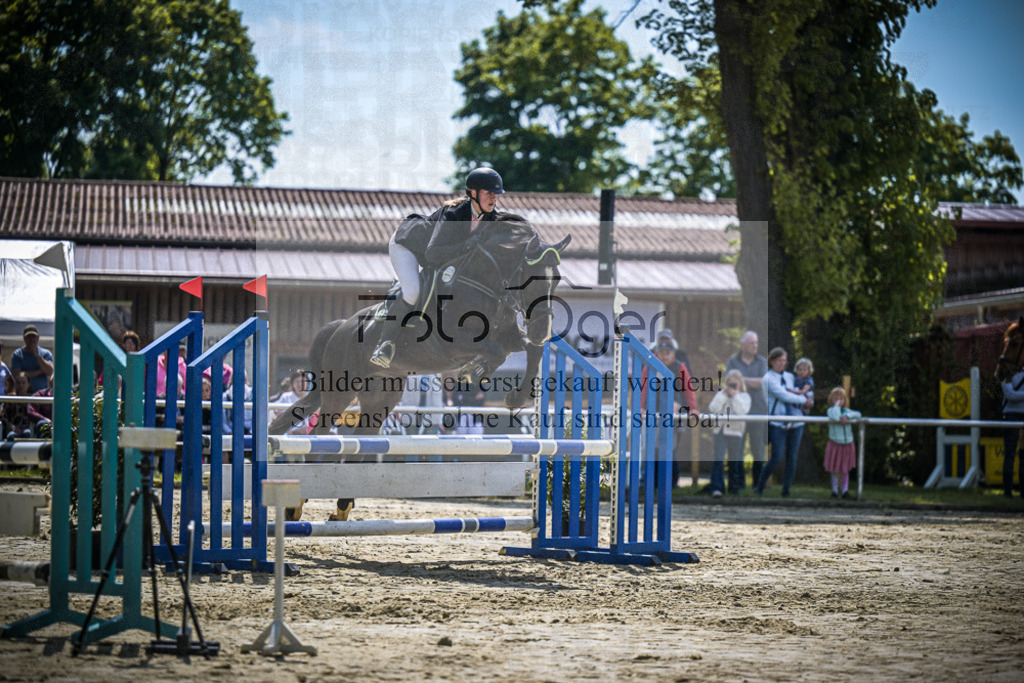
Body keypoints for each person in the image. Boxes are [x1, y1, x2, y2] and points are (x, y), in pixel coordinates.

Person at [370, 167, 505, 369]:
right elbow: (433, 253)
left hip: (437, 255)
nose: (493, 198)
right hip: (408, 245)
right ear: (474, 194)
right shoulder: (453, 214)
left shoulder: (492, 218)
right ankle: (385, 344)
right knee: (413, 291)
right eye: (489, 193)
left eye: (496, 194)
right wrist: (468, 244)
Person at [755, 347, 812, 497]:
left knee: (792, 457)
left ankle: (786, 490)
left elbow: (800, 391)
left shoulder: (790, 377)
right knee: (776, 457)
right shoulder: (768, 379)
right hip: (778, 422)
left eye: (784, 360)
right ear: (772, 361)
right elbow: (784, 395)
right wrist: (804, 400)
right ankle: (760, 486)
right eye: (779, 360)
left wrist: (807, 403)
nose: (782, 363)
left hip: (796, 421)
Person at [645, 335, 699, 488]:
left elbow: (688, 389)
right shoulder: (650, 366)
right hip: (654, 414)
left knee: (671, 449)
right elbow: (642, 387)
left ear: (673, 353)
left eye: (667, 352)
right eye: (662, 352)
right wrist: (641, 407)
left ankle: (672, 482)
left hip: (675, 413)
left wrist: (693, 408)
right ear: (657, 353)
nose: (665, 356)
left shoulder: (679, 367)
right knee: (654, 449)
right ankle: (654, 483)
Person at [726, 331, 768, 487]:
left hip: (758, 411)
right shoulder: (733, 361)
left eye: (756, 343)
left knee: (758, 451)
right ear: (742, 345)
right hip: (738, 412)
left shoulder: (761, 361)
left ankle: (758, 485)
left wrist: (741, 380)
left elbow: (762, 383)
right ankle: (739, 484)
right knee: (737, 450)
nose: (755, 345)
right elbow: (730, 383)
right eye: (752, 343)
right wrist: (751, 382)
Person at [707, 370, 751, 496]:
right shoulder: (721, 394)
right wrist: (723, 394)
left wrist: (735, 395)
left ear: (740, 384)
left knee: (734, 460)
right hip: (720, 430)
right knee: (718, 459)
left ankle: (734, 488)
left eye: (734, 384)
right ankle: (716, 488)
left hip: (735, 432)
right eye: (729, 384)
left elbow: (741, 411)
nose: (731, 387)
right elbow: (713, 408)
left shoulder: (745, 397)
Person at [824, 387, 862, 498]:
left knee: (845, 469)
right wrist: (836, 406)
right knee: (835, 468)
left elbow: (858, 414)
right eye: (836, 398)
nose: (839, 400)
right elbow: (835, 417)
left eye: (841, 398)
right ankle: (835, 490)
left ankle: (845, 490)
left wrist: (847, 416)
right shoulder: (830, 410)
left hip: (847, 443)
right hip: (835, 443)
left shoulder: (847, 411)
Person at [1000, 367, 1024, 498]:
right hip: (1011, 416)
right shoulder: (1006, 371)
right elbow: (1009, 394)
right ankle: (1007, 491)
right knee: (1010, 454)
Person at [10, 325, 54, 394]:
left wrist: (38, 356)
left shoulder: (46, 353)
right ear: (24, 338)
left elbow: (50, 372)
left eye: (33, 337)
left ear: (38, 337)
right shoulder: (17, 354)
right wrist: (40, 371)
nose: (31, 340)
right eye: (28, 337)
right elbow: (17, 375)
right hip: (24, 395)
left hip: (41, 395)